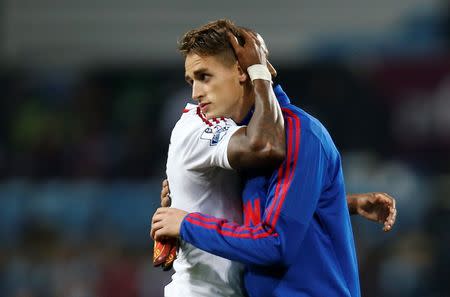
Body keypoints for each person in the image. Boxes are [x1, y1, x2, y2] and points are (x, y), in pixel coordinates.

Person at [152, 19, 396, 297]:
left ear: (241, 72)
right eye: (191, 81)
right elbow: (275, 206)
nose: (195, 93)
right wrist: (341, 203)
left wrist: (188, 224)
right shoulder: (237, 145)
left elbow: (275, 243)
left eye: (204, 76)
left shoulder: (299, 134)